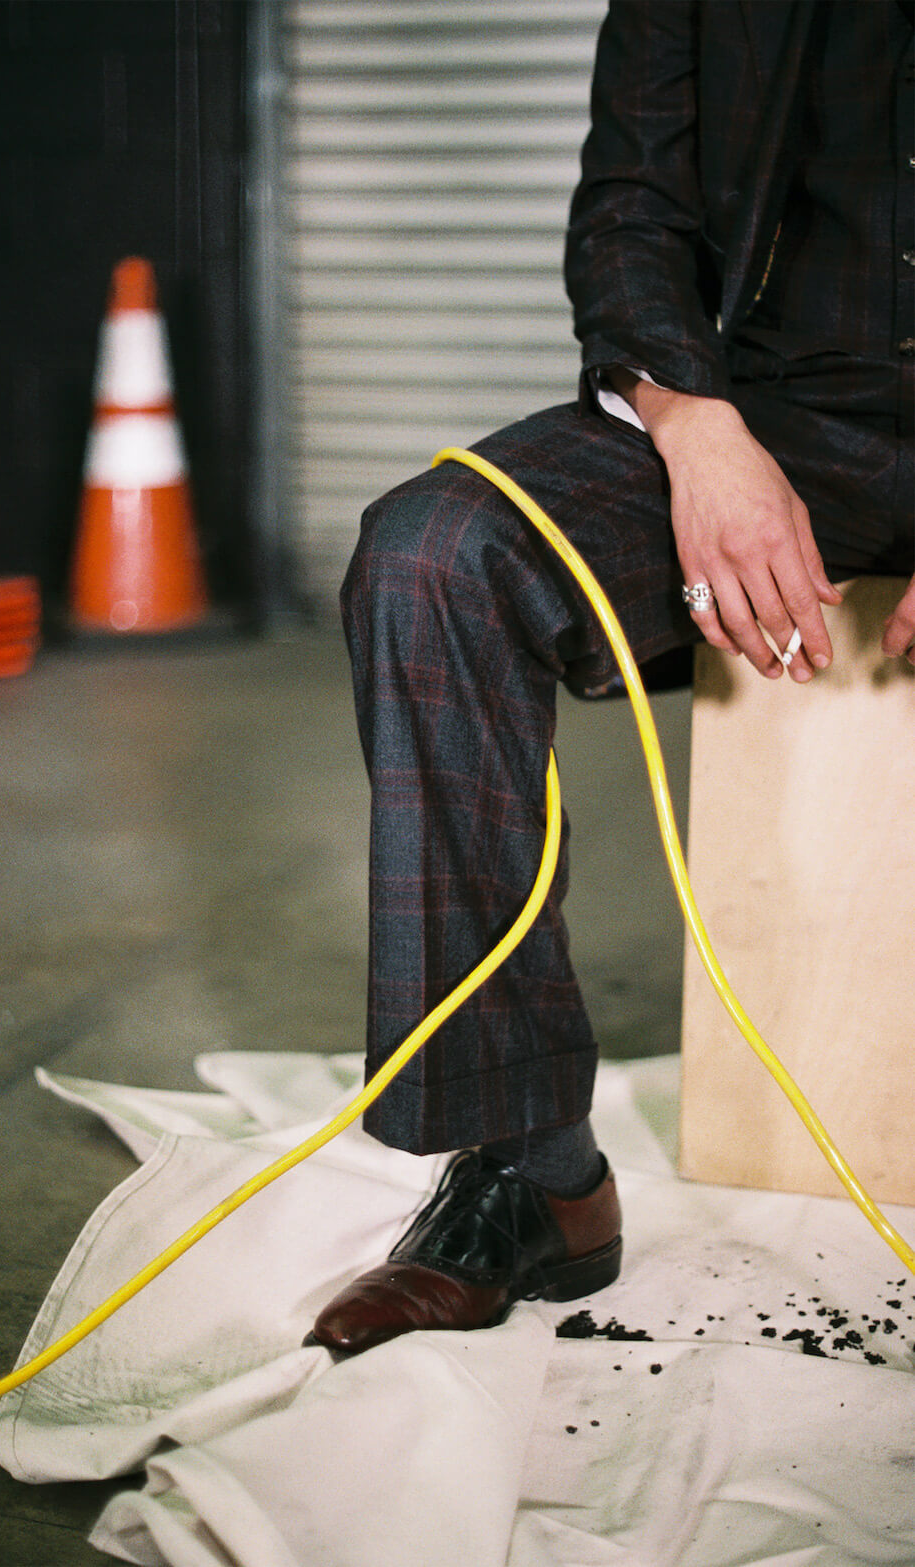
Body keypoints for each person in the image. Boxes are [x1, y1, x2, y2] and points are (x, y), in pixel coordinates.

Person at [308, 0, 915, 1356]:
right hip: (770, 424)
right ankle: (535, 1172)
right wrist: (693, 424)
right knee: (432, 557)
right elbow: (632, 207)